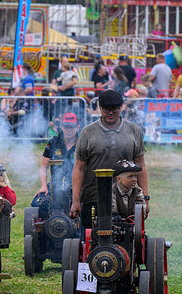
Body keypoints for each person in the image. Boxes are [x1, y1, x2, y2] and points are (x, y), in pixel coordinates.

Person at [69, 89, 149, 228]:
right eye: (106, 109)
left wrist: (145, 199)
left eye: (114, 109)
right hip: (93, 198)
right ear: (100, 108)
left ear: (121, 107)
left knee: (127, 242)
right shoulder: (87, 132)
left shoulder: (133, 130)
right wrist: (76, 201)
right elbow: (79, 168)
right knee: (92, 242)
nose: (110, 113)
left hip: (125, 200)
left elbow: (140, 166)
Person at [36, 113, 80, 212]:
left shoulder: (82, 143)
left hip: (77, 185)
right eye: (66, 127)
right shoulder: (53, 142)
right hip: (55, 185)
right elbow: (43, 167)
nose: (69, 130)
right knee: (37, 203)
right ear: (61, 127)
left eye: (72, 127)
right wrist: (43, 186)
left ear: (77, 127)